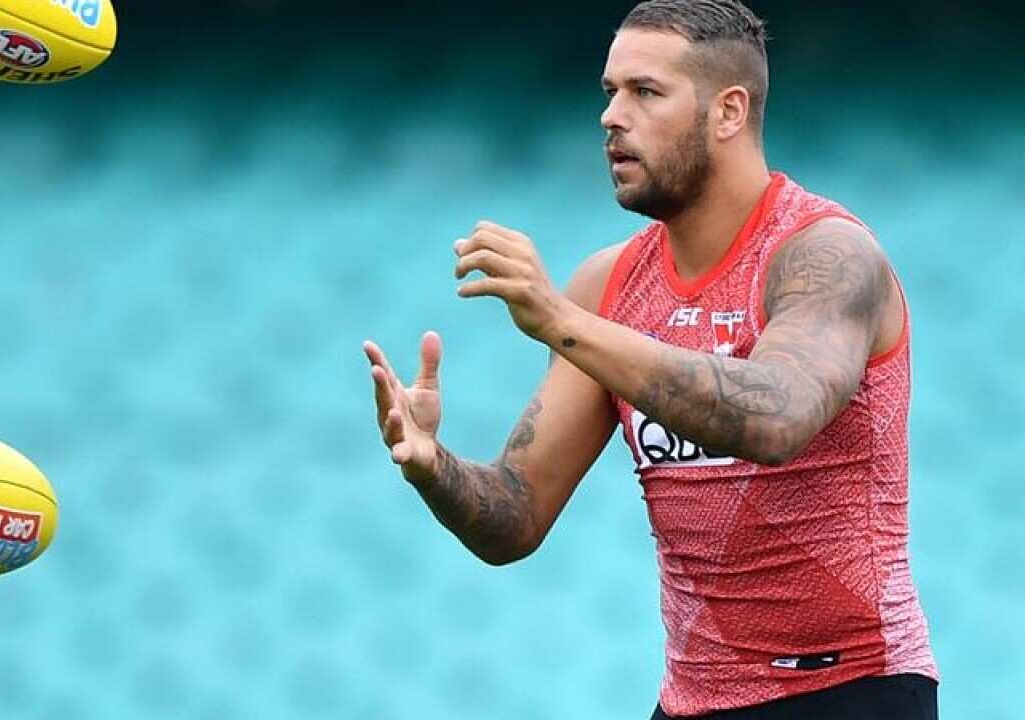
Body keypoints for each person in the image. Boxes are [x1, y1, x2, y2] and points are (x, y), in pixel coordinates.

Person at [362, 1, 939, 718]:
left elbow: (778, 418)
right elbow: (514, 516)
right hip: (693, 700)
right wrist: (432, 466)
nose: (610, 116)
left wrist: (564, 323)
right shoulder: (608, 287)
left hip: (852, 690)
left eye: (645, 92)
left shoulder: (827, 256)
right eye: (609, 92)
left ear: (729, 112)